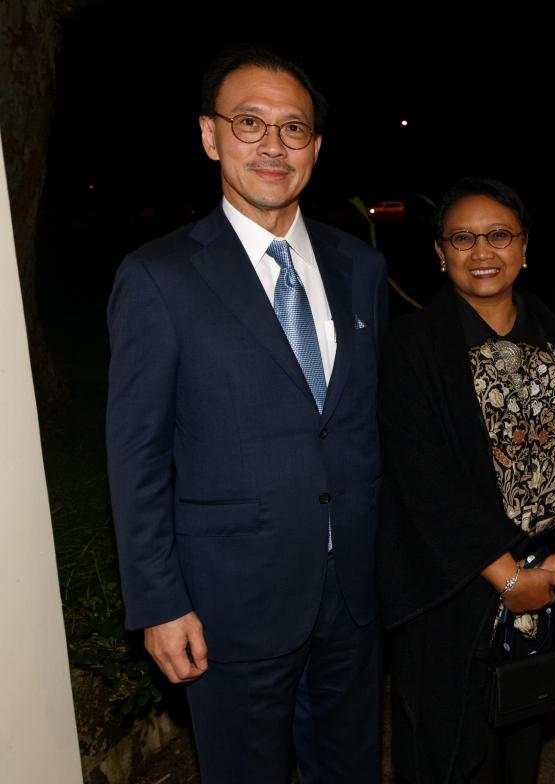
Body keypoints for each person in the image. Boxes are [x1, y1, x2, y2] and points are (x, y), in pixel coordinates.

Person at [106, 44, 389, 782]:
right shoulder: (158, 277)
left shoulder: (361, 268)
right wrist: (157, 602)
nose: (273, 145)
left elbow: (360, 425)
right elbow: (135, 456)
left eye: (293, 129)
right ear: (210, 136)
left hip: (353, 599)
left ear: (316, 148)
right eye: (250, 123)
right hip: (229, 604)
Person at [378, 177, 555, 783]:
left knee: (522, 750)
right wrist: (507, 577)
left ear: (525, 246)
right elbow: (421, 480)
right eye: (463, 238)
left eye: (499, 235)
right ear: (440, 252)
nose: (482, 252)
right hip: (455, 591)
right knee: (451, 754)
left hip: (550, 585)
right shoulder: (411, 348)